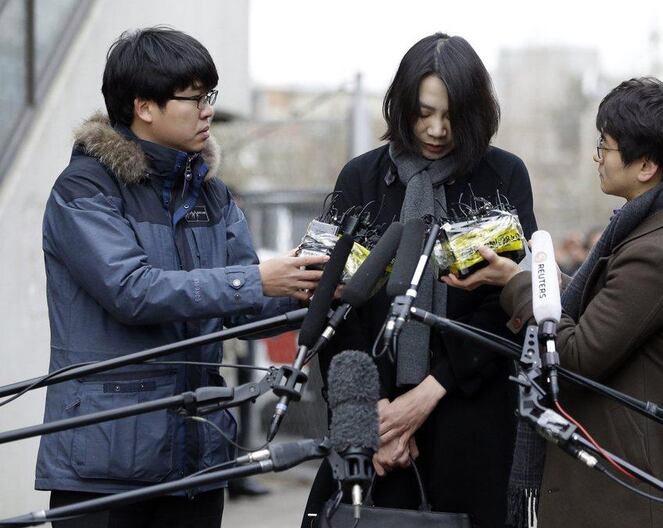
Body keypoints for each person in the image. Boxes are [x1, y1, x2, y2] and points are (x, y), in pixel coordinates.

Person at [35, 27, 327, 528]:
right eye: (193, 98)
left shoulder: (210, 194)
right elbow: (133, 291)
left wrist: (309, 285)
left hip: (198, 457)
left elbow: (241, 309)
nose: (207, 110)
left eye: (209, 95)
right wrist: (258, 279)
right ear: (144, 106)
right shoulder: (84, 188)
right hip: (105, 462)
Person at [445, 77, 663, 527]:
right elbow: (612, 311)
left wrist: (524, 288)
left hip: (641, 488)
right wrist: (522, 276)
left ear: (645, 166)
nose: (597, 157)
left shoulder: (658, 252)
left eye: (606, 146)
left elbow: (575, 356)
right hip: (658, 470)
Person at [302, 33, 536, 527]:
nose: (436, 129)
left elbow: (508, 307)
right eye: (424, 112)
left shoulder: (502, 177)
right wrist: (371, 416)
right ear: (402, 104)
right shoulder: (360, 179)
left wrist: (427, 394)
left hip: (468, 414)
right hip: (373, 427)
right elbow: (333, 304)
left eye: (451, 116)